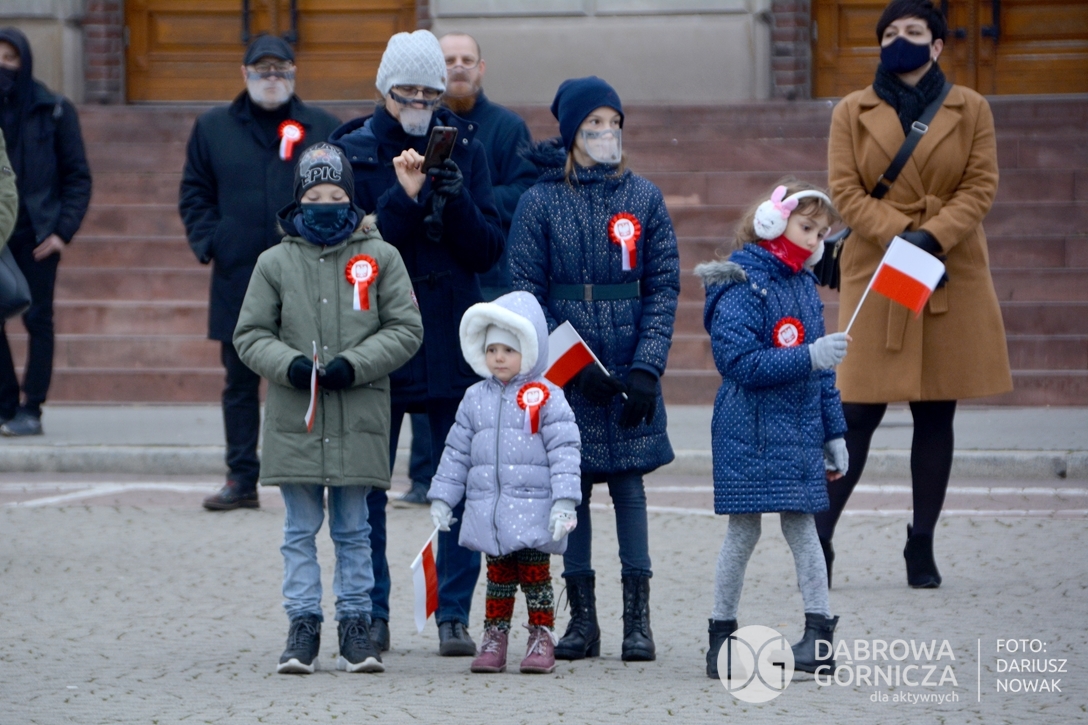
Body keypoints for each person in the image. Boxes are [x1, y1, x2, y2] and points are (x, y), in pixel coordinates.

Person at [818, 0, 1011, 589]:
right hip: (881, 266)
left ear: (937, 45)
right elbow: (845, 191)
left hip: (949, 266)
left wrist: (933, 237)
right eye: (891, 33)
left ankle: (921, 544)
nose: (900, 40)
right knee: (857, 410)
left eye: (914, 31)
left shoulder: (970, 107)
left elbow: (980, 184)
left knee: (935, 409)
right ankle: (819, 540)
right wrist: (904, 235)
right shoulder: (851, 110)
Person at [330, 29, 505, 657]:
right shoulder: (353, 150)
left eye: (431, 93)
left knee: (459, 484)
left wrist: (455, 203)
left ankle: (453, 613)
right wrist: (404, 201)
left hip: (451, 335)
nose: (421, 103)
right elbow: (348, 250)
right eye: (408, 91)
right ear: (385, 89)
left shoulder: (466, 148)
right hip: (380, 336)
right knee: (369, 485)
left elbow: (487, 250)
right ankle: (372, 611)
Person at [233, 143, 423, 675]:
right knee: (298, 530)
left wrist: (354, 365)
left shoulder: (381, 256)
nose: (324, 204)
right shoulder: (274, 262)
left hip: (357, 414)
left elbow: (406, 328)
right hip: (298, 415)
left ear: (351, 199)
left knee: (354, 529)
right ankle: (303, 625)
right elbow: (250, 333)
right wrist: (289, 365)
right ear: (299, 199)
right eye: (314, 195)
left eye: (335, 194)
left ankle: (356, 625)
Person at [510, 77, 680, 662]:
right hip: (571, 372)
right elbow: (526, 292)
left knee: (629, 486)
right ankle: (582, 620)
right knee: (572, 485)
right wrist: (570, 365)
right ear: (571, 134)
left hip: (630, 358)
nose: (607, 134)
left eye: (614, 123)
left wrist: (647, 367)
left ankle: (638, 620)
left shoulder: (644, 197)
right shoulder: (539, 202)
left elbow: (663, 285)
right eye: (594, 125)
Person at [180, 35, 341, 511]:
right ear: (244, 73)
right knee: (239, 382)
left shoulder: (322, 128)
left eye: (281, 69)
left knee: (309, 378)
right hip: (240, 277)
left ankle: (311, 475)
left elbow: (343, 191)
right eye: (262, 70)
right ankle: (241, 478)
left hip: (307, 276)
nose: (272, 78)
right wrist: (215, 241)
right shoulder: (213, 128)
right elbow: (194, 192)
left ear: (294, 73)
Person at [694, 179, 849, 678]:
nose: (814, 240)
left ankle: (819, 638)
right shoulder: (742, 282)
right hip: (750, 429)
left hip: (799, 427)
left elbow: (821, 374)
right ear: (773, 223)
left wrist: (834, 432)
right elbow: (739, 363)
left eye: (821, 233)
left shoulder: (803, 283)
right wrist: (809, 356)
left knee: (803, 529)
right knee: (743, 532)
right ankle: (721, 639)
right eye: (806, 227)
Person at [388, 32, 539, 510]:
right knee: (416, 380)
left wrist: (466, 195)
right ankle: (421, 476)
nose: (457, 67)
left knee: (456, 391)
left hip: (475, 283)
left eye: (465, 59)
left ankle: (447, 481)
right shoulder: (369, 143)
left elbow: (520, 194)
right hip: (401, 298)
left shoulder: (501, 131)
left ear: (480, 67)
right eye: (448, 59)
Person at [427, 291, 581, 675]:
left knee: (535, 577)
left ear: (529, 350)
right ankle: (494, 637)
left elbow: (565, 451)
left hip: (534, 511)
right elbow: (456, 452)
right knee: (497, 579)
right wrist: (443, 498)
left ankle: (542, 636)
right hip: (491, 514)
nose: (498, 358)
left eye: (508, 350)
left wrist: (564, 501)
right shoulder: (473, 398)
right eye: (492, 349)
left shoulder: (548, 396)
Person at [0, 27, 91, 437]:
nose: (3, 66)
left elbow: (77, 177)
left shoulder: (53, 109)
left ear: (25, 61)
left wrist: (61, 232)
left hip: (38, 236)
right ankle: (5, 404)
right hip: (0, 237)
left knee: (38, 320)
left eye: (10, 58)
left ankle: (32, 407)